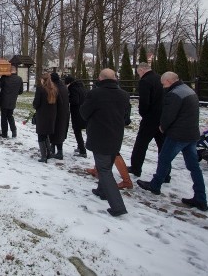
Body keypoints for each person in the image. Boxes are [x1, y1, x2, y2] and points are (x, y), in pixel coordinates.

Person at [137, 72, 208, 212]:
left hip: (178, 134)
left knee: (164, 159)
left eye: (163, 84)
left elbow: (168, 115)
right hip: (191, 134)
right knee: (194, 167)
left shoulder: (174, 94)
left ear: (169, 81)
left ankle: (155, 185)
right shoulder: (188, 90)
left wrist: (162, 127)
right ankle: (201, 197)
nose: (163, 86)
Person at [80, 69, 131, 217]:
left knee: (104, 169)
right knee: (106, 165)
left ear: (100, 79)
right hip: (116, 135)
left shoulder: (95, 94)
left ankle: (117, 206)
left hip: (100, 135)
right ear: (115, 78)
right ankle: (102, 190)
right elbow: (126, 117)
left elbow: (84, 113)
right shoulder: (124, 95)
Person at [128, 62, 165, 177]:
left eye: (138, 72)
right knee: (162, 146)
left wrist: (143, 113)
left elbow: (144, 101)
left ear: (142, 70)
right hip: (163, 117)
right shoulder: (160, 79)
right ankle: (165, 173)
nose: (139, 75)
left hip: (150, 117)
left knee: (141, 144)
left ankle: (136, 168)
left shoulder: (145, 81)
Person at [33, 73, 58, 163]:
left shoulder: (40, 89)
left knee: (41, 134)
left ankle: (44, 156)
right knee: (46, 134)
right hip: (51, 115)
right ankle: (49, 153)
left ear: (43, 80)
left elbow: (36, 103)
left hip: (42, 115)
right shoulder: (54, 89)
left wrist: (35, 106)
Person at [65, 75, 87, 157]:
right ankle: (80, 146)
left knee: (77, 131)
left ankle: (82, 151)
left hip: (77, 112)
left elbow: (75, 101)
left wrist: (67, 98)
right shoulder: (82, 87)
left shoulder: (72, 89)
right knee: (80, 130)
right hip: (84, 112)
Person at [50, 72, 70, 159]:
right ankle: (54, 149)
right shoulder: (63, 87)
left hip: (57, 113)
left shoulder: (55, 88)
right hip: (64, 112)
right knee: (60, 131)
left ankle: (59, 151)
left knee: (56, 131)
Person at [0, 65, 23, 138]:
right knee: (10, 116)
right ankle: (14, 131)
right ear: (16, 71)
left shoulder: (4, 77)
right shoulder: (19, 79)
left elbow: (0, 86)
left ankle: (4, 134)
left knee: (4, 117)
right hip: (13, 100)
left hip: (4, 100)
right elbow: (20, 91)